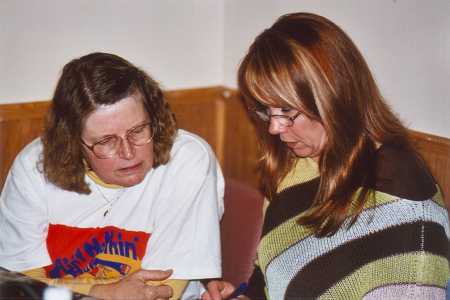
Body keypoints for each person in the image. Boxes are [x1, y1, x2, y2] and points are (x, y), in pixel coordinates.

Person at [202, 12, 449, 300]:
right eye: (265, 111)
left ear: (332, 95)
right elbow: (271, 277)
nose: (274, 127)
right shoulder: (298, 165)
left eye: (286, 111)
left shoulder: (404, 204)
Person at [0, 52, 224, 300]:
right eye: (106, 141)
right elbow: (20, 285)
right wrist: (103, 292)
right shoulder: (34, 167)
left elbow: (159, 292)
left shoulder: (187, 159)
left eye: (138, 130)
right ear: (72, 142)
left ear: (155, 120)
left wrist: (59, 287)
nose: (129, 153)